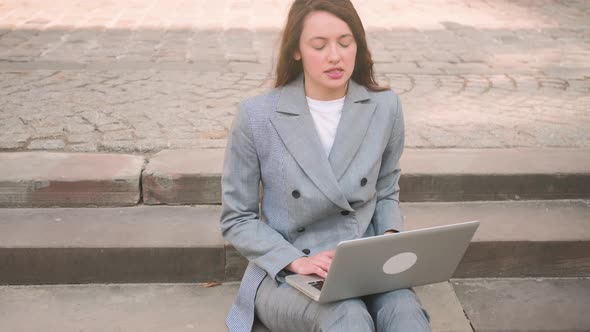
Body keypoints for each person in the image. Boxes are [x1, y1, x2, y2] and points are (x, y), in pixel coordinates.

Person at [220, 0, 431, 331]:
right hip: (286, 272)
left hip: (364, 263)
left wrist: (390, 243)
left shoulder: (385, 107)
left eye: (345, 43)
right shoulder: (257, 116)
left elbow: (386, 190)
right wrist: (297, 261)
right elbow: (237, 219)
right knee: (348, 317)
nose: (335, 56)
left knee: (406, 314)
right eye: (319, 45)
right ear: (296, 51)